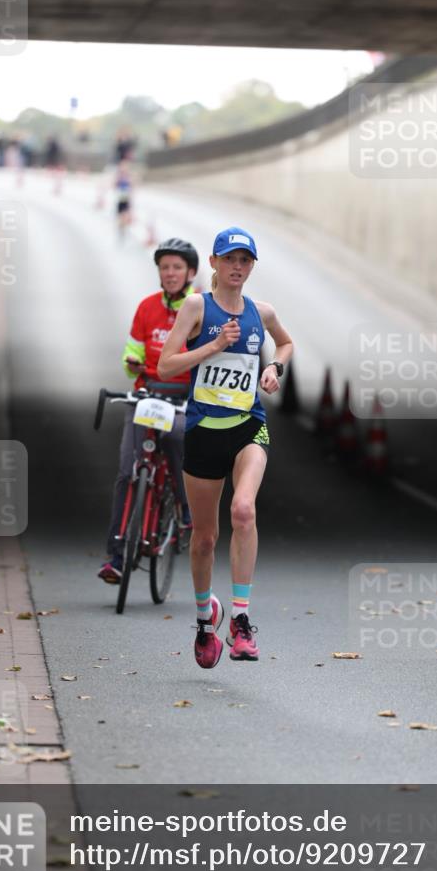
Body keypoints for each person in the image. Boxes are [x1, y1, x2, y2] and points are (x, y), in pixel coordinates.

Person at [158, 227, 293, 667]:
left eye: (246, 261)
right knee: (203, 538)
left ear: (252, 267)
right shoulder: (198, 306)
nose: (238, 267)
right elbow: (167, 363)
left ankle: (240, 620)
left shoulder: (261, 311)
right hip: (203, 431)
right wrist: (213, 346)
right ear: (213, 263)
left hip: (247, 427)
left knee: (243, 511)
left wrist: (273, 368)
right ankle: (204, 619)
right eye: (230, 259)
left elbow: (287, 343)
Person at [98, 239, 200, 585]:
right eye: (164, 267)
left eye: (176, 267)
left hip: (183, 396)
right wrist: (132, 362)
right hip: (148, 393)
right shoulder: (146, 308)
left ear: (191, 273)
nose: (170, 273)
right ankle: (115, 555)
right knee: (128, 470)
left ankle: (185, 510)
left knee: (175, 440)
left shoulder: (200, 307)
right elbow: (132, 355)